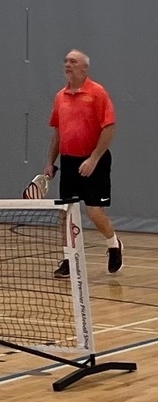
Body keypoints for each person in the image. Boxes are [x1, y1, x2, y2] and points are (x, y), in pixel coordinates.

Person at [44, 49, 122, 278]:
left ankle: (114, 245)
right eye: (66, 61)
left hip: (94, 161)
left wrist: (94, 158)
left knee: (94, 212)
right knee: (66, 214)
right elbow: (58, 133)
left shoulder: (97, 93)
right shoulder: (60, 96)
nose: (68, 65)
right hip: (69, 163)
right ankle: (69, 259)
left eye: (73, 61)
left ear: (84, 68)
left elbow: (109, 128)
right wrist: (50, 162)